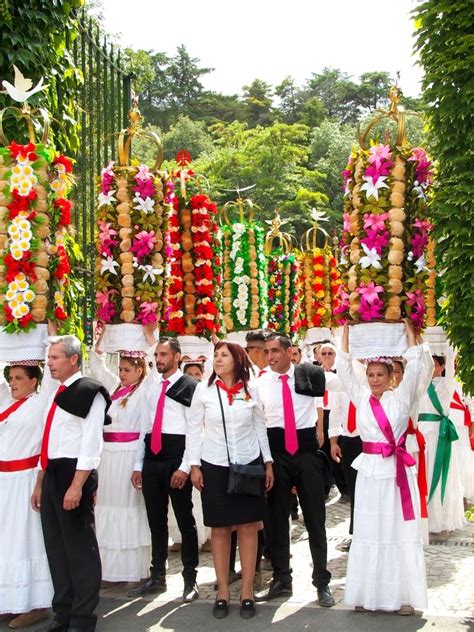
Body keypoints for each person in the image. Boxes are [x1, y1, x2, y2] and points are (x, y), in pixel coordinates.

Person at [337, 322, 427, 614]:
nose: (374, 380)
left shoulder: (402, 398)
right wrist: (347, 338)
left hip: (396, 473)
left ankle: (403, 598)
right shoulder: (361, 398)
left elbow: (416, 367)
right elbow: (345, 372)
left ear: (392, 377)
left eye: (380, 375)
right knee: (368, 529)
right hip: (369, 472)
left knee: (396, 531)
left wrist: (410, 335)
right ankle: (366, 595)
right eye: (371, 374)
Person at [188, 340, 273, 620]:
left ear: (238, 360)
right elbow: (193, 429)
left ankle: (247, 590)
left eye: (224, 355)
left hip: (248, 463)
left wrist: (268, 461)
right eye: (216, 355)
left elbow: (260, 425)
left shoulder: (252, 388)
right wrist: (194, 465)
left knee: (249, 526)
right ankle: (223, 590)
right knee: (221, 528)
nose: (218, 359)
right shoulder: (204, 390)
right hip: (214, 464)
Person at [31, 335, 112, 632]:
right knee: (57, 547)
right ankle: (63, 612)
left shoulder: (90, 392)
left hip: (74, 472)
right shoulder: (58, 391)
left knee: (80, 548)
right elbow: (48, 441)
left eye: (55, 358)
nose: (49, 363)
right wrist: (41, 482)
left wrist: (77, 485)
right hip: (53, 472)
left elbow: (92, 443)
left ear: (73, 359)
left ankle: (82, 617)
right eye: (49, 358)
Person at [255, 333, 334, 608]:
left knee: (315, 519)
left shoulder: (309, 374)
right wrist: (267, 462)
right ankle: (281, 579)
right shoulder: (261, 382)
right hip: (277, 454)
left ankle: (322, 583)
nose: (271, 356)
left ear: (291, 352)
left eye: (275, 350)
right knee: (276, 520)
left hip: (306, 452)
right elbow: (258, 423)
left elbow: (327, 397)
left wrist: (323, 431)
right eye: (267, 351)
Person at [130, 338, 199, 603]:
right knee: (155, 520)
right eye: (157, 354)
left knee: (185, 521)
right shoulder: (151, 387)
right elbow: (145, 427)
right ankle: (157, 576)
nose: (158, 359)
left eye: (163, 355)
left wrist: (184, 466)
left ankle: (190, 579)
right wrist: (139, 464)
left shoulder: (190, 386)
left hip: (176, 454)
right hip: (153, 456)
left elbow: (195, 429)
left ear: (177, 357)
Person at [88, 325, 154, 584]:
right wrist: (101, 339)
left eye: (127, 370)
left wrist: (150, 336)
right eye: (120, 370)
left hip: (129, 455)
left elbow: (153, 366)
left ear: (139, 370)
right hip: (108, 456)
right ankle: (107, 569)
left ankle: (131, 570)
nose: (122, 374)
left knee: (128, 509)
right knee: (105, 507)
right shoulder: (114, 389)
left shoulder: (144, 391)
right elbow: (96, 366)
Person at [0, 347, 57, 629]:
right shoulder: (3, 400)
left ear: (34, 380)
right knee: (6, 543)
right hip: (3, 482)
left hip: (25, 480)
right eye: (10, 377)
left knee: (26, 541)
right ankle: (9, 601)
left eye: (19, 378)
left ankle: (37, 604)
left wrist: (46, 331)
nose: (12, 383)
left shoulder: (41, 402)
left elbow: (52, 371)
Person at [417, 355, 465, 536]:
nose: (430, 367)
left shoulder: (446, 385)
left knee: (437, 471)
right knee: (424, 472)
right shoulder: (420, 384)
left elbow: (451, 370)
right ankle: (423, 515)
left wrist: (450, 347)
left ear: (442, 366)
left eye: (434, 364)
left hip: (438, 433)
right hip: (422, 432)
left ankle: (439, 518)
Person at [319, 342, 349, 500]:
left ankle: (344, 489)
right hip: (320, 413)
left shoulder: (341, 374)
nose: (326, 356)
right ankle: (324, 488)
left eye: (330, 353)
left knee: (337, 451)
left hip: (336, 412)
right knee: (321, 451)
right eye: (323, 354)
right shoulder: (316, 373)